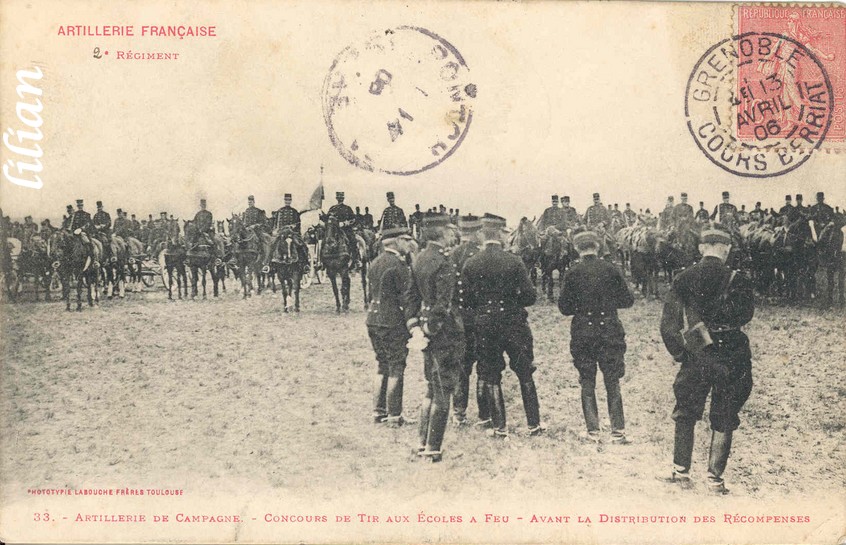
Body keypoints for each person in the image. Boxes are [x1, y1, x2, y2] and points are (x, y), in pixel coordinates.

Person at [660, 228, 754, 494]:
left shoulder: (683, 278)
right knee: (725, 414)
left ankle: (681, 473)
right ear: (726, 249)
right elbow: (745, 315)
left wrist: (681, 353)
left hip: (697, 354)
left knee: (686, 411)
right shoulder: (739, 279)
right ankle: (715, 480)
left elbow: (669, 325)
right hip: (732, 354)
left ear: (702, 248)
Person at [462, 213, 542, 438]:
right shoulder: (514, 261)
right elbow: (529, 297)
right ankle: (533, 425)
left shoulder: (471, 263)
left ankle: (499, 428)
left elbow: (466, 301)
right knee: (524, 372)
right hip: (513, 322)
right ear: (500, 234)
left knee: (490, 373)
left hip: (485, 324)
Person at [558, 230, 634, 443]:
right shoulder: (612, 269)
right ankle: (618, 431)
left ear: (577, 249)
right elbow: (628, 301)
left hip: (583, 332)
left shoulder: (572, 272)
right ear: (598, 247)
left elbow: (564, 308)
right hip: (610, 331)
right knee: (612, 380)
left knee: (587, 380)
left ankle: (593, 431)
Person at [404, 212, 464, 462]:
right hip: (444, 332)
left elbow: (410, 297)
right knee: (443, 390)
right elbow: (443, 303)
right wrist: (432, 327)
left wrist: (415, 326)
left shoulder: (418, 258)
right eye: (449, 231)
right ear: (440, 234)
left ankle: (422, 441)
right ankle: (433, 447)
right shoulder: (443, 262)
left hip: (425, 330)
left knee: (431, 387)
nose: (452, 234)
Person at [366, 226, 416, 427]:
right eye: (405, 240)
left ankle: (379, 411)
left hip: (373, 320)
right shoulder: (399, 266)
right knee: (396, 365)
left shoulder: (375, 263)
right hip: (392, 322)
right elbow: (405, 297)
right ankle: (394, 414)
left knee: (382, 364)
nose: (408, 244)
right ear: (396, 242)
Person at [450, 214, 485, 426]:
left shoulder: (451, 255)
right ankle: (484, 413)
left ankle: (459, 413)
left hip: (458, 319)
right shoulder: (480, 256)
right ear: (477, 232)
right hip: (479, 317)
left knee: (462, 367)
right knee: (483, 365)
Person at [269, 193, 309, 268]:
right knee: (272, 244)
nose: (287, 201)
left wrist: (294, 227)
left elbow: (298, 224)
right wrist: (276, 230)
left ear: (291, 201)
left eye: (289, 200)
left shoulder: (294, 211)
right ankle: (268, 264)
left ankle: (306, 264)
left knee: (302, 245)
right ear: (284, 200)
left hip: (292, 233)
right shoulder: (280, 211)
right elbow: (275, 224)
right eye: (286, 200)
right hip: (281, 233)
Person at [327, 191, 360, 267]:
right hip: (334, 230)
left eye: (341, 198)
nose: (340, 199)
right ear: (336, 198)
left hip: (345, 230)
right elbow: (327, 218)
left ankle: (356, 259)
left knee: (352, 240)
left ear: (343, 198)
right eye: (339, 197)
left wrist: (346, 223)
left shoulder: (347, 208)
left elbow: (353, 219)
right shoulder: (332, 208)